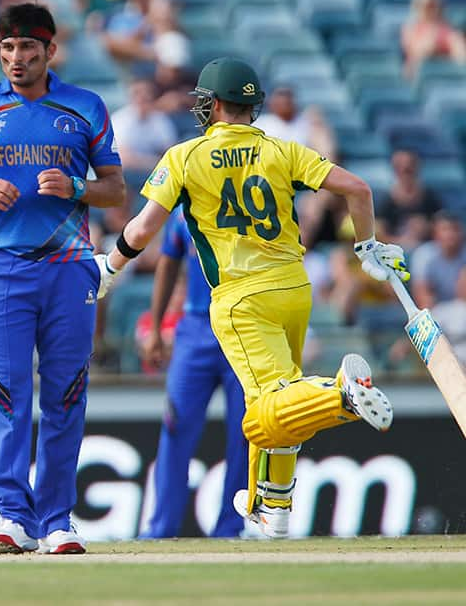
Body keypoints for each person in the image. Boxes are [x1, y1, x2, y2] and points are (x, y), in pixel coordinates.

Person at [96, 57, 408, 539]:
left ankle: (340, 393)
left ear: (215, 105)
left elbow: (141, 230)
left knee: (262, 414)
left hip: (241, 299)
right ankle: (275, 506)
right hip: (294, 290)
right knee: (282, 399)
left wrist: (109, 267)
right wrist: (366, 246)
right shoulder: (283, 149)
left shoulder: (184, 156)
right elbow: (358, 188)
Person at [0, 3, 126, 554]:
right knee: (9, 393)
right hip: (2, 267)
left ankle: (57, 520)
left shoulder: (85, 107)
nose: (16, 59)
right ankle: (12, 516)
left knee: (66, 395)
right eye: (7, 49)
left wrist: (77, 187)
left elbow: (116, 189)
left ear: (50, 51)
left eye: (27, 49)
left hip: (69, 268)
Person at [138, 209, 246, 539]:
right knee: (175, 428)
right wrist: (156, 327)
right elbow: (168, 263)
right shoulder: (185, 211)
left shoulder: (252, 199)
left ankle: (231, 527)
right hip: (195, 329)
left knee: (245, 433)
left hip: (245, 328)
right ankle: (161, 528)